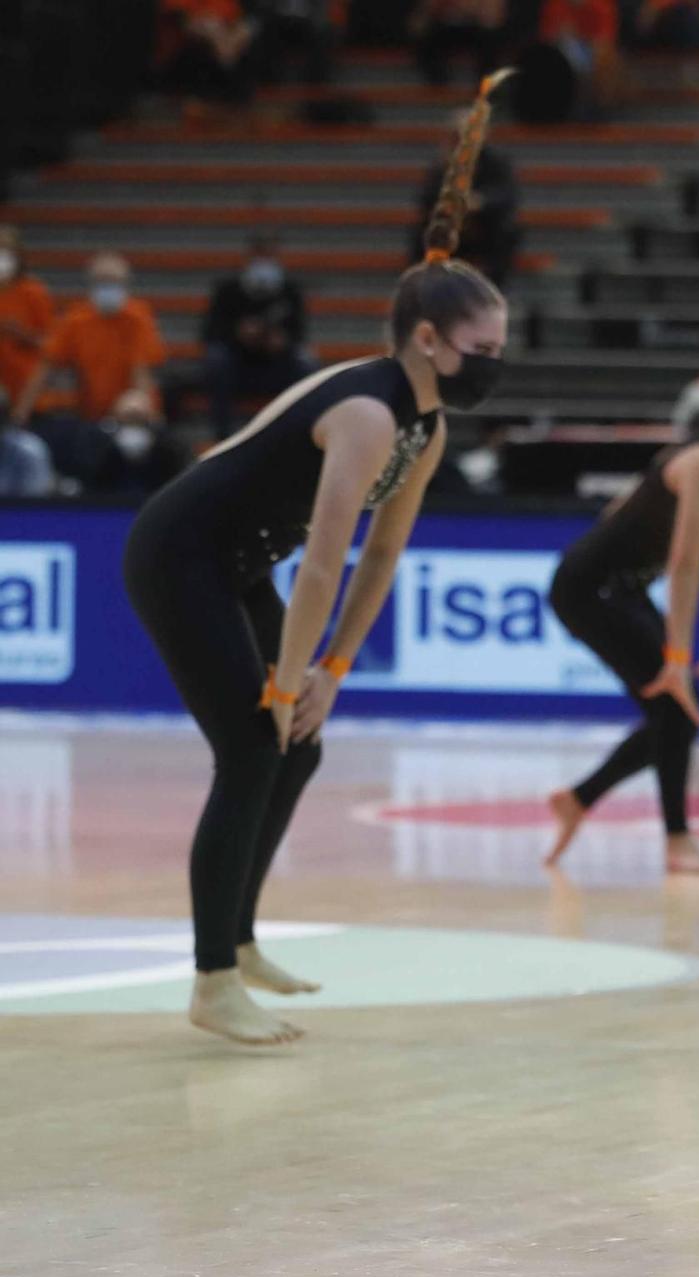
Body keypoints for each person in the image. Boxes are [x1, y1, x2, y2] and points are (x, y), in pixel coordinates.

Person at [120, 75, 513, 1046]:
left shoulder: (422, 423)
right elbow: (329, 559)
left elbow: (385, 551)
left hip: (235, 559)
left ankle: (238, 938)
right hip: (181, 553)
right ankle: (211, 981)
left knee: (297, 742)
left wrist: (327, 674)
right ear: (427, 338)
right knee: (255, 742)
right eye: (484, 346)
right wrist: (286, 675)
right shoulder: (369, 411)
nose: (495, 361)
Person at [543, 352, 699, 874]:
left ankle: (581, 798)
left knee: (676, 714)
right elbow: (685, 564)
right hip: (587, 587)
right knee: (677, 707)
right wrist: (677, 656)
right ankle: (675, 841)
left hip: (624, 589)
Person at [14, 253, 164, 428]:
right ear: (91, 284)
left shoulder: (138, 317)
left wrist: (151, 418)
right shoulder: (76, 320)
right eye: (102, 281)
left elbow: (141, 372)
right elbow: (46, 367)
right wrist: (21, 412)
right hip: (90, 413)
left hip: (131, 415)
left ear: (126, 284)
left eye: (114, 281)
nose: (109, 287)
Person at [203, 234, 315, 443]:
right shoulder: (228, 291)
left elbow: (299, 334)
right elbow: (209, 333)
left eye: (269, 257)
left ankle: (300, 433)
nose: (264, 263)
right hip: (237, 367)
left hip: (275, 366)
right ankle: (223, 435)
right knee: (216, 360)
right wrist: (238, 334)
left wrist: (282, 342)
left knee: (306, 363)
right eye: (259, 257)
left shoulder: (289, 291)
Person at [413, 119, 520, 285]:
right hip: (451, 225)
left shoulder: (495, 162)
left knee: (507, 231)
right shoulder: (443, 163)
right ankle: (426, 283)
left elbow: (506, 195)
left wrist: (479, 202)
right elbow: (427, 198)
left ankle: (493, 285)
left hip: (483, 224)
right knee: (423, 232)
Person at [0, 227, 54, 413]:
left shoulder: (34, 292)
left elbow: (51, 345)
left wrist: (22, 334)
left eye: (7, 250)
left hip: (29, 395)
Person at [412, 0, 506, 87]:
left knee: (490, 42)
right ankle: (438, 86)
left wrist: (469, 8)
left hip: (478, 29)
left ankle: (485, 86)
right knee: (427, 41)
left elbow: (494, 18)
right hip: (445, 28)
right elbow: (421, 19)